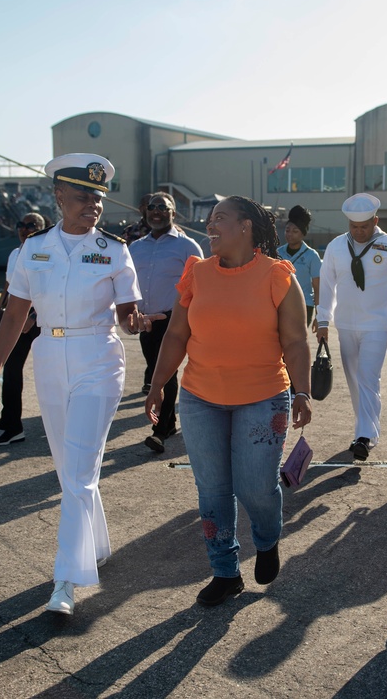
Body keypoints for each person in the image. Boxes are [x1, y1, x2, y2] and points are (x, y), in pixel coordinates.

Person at [0, 153, 162, 616]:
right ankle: (96, 543)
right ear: (59, 196)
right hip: (49, 357)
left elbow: (126, 315)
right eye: (83, 196)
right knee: (71, 469)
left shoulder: (116, 250)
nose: (93, 205)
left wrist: (136, 323)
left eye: (98, 198)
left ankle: (66, 579)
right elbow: (16, 315)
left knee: (76, 471)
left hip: (98, 356)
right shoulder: (32, 249)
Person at [144, 195, 312, 607]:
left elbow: (295, 340)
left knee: (255, 487)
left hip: (264, 396)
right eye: (209, 219)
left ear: (246, 227)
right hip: (200, 399)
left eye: (220, 218)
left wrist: (303, 391)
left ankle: (267, 540)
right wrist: (157, 383)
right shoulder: (197, 273)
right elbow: (177, 336)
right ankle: (225, 571)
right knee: (213, 491)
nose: (210, 225)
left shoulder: (277, 275)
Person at [316, 193, 387, 461]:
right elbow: (327, 285)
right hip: (346, 324)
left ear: (375, 221)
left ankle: (364, 436)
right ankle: (365, 431)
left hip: (377, 325)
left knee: (368, 377)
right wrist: (323, 320)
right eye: (354, 227)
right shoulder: (335, 247)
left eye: (364, 227)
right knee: (355, 381)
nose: (358, 232)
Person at [129, 191, 203, 453]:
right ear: (145, 212)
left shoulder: (188, 246)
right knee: (156, 371)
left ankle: (160, 431)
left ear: (173, 213)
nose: (156, 211)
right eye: (152, 207)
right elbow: (127, 286)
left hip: (175, 319)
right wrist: (133, 313)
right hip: (146, 321)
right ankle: (169, 422)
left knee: (167, 372)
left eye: (163, 207)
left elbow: (201, 286)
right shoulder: (135, 248)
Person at [0, 212, 46, 446]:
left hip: (39, 321)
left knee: (55, 372)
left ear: (42, 228)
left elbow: (51, 289)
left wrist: (33, 315)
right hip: (16, 319)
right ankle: (12, 425)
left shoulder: (45, 253)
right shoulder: (15, 253)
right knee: (11, 371)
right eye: (21, 224)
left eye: (32, 225)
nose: (25, 228)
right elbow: (10, 286)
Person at [277, 205, 322, 328]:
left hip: (304, 305)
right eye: (287, 230)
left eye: (295, 231)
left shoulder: (312, 256)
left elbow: (317, 288)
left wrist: (319, 316)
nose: (290, 234)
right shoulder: (277, 253)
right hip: (280, 304)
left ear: (303, 234)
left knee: (297, 341)